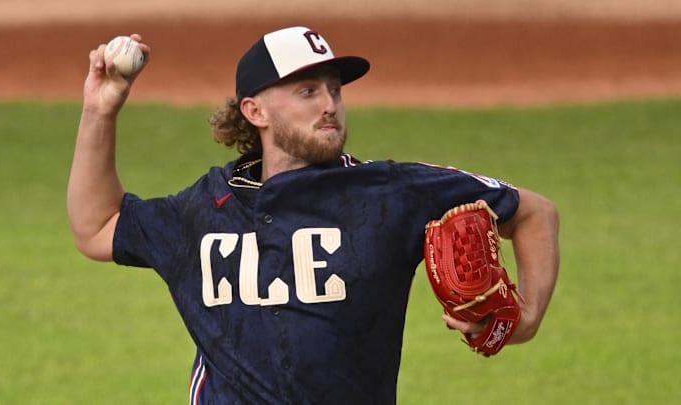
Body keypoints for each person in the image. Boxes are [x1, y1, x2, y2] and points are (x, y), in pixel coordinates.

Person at [67, 26, 559, 405]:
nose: (329, 105)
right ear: (255, 111)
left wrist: (530, 316)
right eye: (307, 91)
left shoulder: (391, 192)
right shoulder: (206, 208)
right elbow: (97, 227)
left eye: (334, 90)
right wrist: (100, 110)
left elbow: (534, 212)